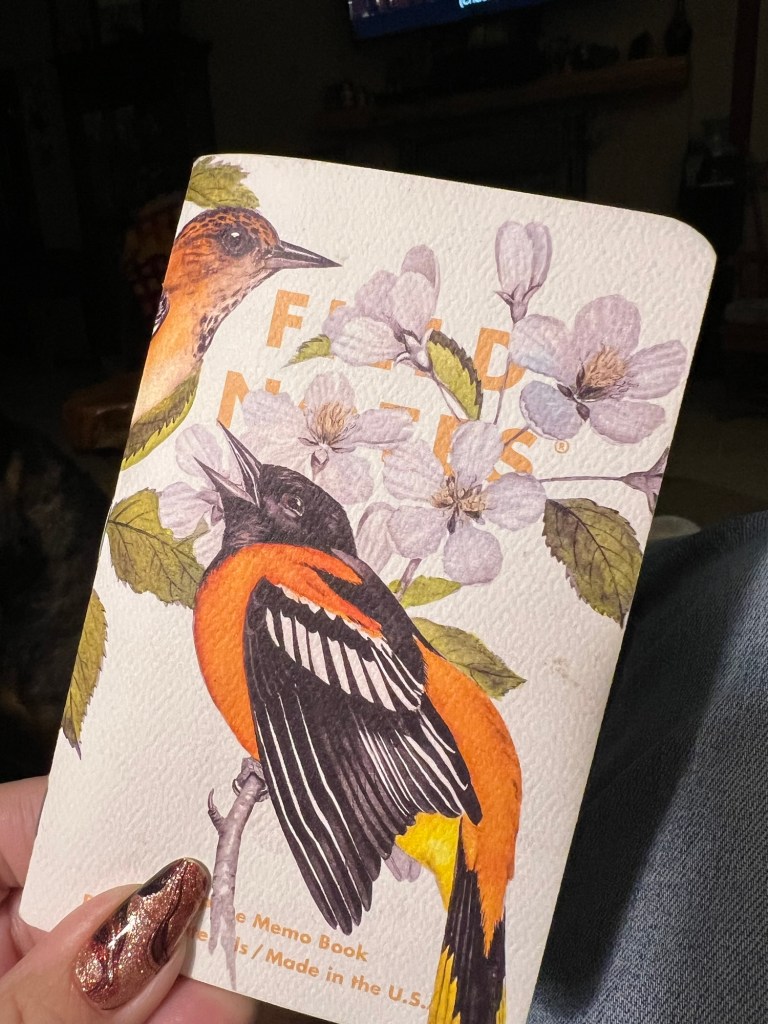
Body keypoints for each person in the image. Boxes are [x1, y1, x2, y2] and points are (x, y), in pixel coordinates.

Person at [2, 512, 766, 1021]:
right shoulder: (293, 584)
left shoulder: (278, 577)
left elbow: (344, 721)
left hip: (457, 786)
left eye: (281, 502)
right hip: (452, 768)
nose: (254, 505)